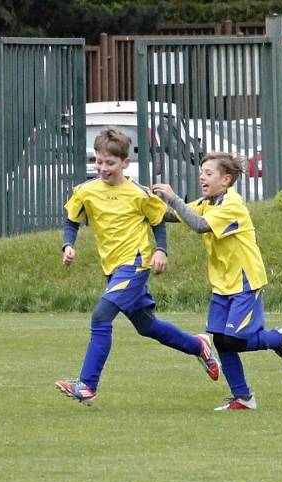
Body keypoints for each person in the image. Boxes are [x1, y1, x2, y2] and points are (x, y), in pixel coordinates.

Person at [55, 127, 220, 406]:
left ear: (124, 164)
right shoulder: (85, 191)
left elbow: (157, 221)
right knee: (147, 326)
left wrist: (161, 250)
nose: (103, 168)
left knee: (100, 317)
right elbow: (72, 219)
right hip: (113, 268)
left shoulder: (138, 193)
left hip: (135, 263)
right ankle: (198, 346)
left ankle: (87, 385)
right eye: (99, 161)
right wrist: (68, 245)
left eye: (110, 163)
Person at [152, 152, 282, 411]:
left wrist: (172, 196)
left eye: (209, 173)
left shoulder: (231, 204)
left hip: (244, 281)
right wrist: (141, 198)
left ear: (226, 180)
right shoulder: (209, 201)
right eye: (202, 173)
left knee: (233, 340)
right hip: (222, 284)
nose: (202, 177)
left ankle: (280, 339)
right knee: (220, 340)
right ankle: (243, 397)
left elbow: (197, 224)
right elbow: (177, 216)